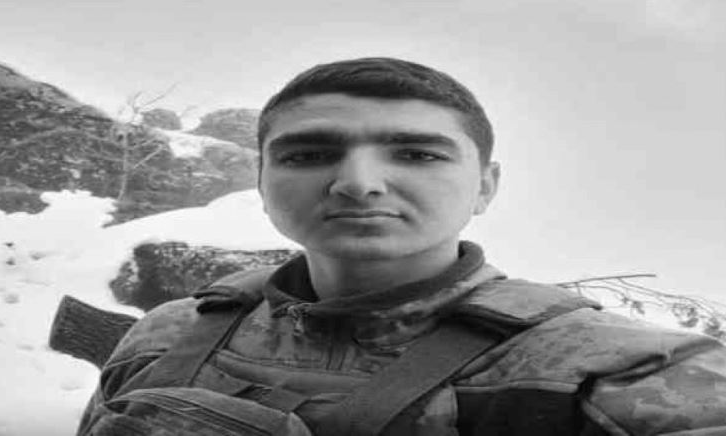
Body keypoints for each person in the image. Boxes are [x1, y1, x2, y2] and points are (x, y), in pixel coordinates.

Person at [78, 57, 726, 435]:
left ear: (485, 186)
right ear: (262, 181)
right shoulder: (169, 333)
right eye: (309, 154)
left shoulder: (619, 372)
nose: (358, 183)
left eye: (417, 154)